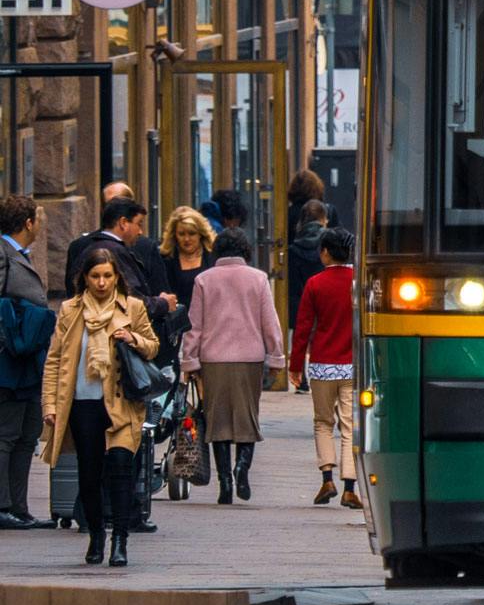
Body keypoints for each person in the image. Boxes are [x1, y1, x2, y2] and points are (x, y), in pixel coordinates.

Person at [39, 248, 157, 566]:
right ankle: (96, 536)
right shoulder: (70, 310)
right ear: (85, 278)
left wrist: (132, 337)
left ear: (117, 276)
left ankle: (120, 540)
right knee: (89, 477)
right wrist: (49, 403)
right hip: (82, 404)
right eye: (95, 276)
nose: (102, 282)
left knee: (121, 470)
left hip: (122, 405)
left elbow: (153, 346)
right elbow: (54, 360)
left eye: (107, 275)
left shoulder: (131, 307)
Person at [181, 228, 284, 505]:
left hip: (213, 360)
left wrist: (189, 361)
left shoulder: (203, 280)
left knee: (218, 422)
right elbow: (269, 322)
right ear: (245, 251)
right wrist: (275, 357)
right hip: (249, 359)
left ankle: (225, 481)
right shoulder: (259, 279)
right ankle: (242, 469)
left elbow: (195, 326)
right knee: (247, 417)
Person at [289, 227, 361, 509]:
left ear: (326, 252)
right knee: (350, 425)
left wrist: (295, 367)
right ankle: (350, 487)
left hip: (321, 365)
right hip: (353, 366)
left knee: (322, 423)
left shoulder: (315, 284)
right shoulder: (359, 282)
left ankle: (327, 478)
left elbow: (304, 328)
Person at [0, 195, 53, 529]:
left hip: (29, 360)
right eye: (38, 218)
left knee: (27, 434)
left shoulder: (22, 255)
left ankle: (19, 507)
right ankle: (2, 506)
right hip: (9, 361)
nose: (41, 224)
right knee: (6, 434)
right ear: (28, 223)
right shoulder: (3, 254)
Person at [285, 198, 329, 336]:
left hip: (302, 311)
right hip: (327, 309)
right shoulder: (329, 245)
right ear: (323, 219)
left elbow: (293, 290)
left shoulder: (292, 251)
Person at [159, 206, 218, 305]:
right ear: (174, 235)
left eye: (192, 233)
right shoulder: (166, 260)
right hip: (177, 317)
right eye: (181, 234)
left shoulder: (213, 257)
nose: (187, 239)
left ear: (200, 234)